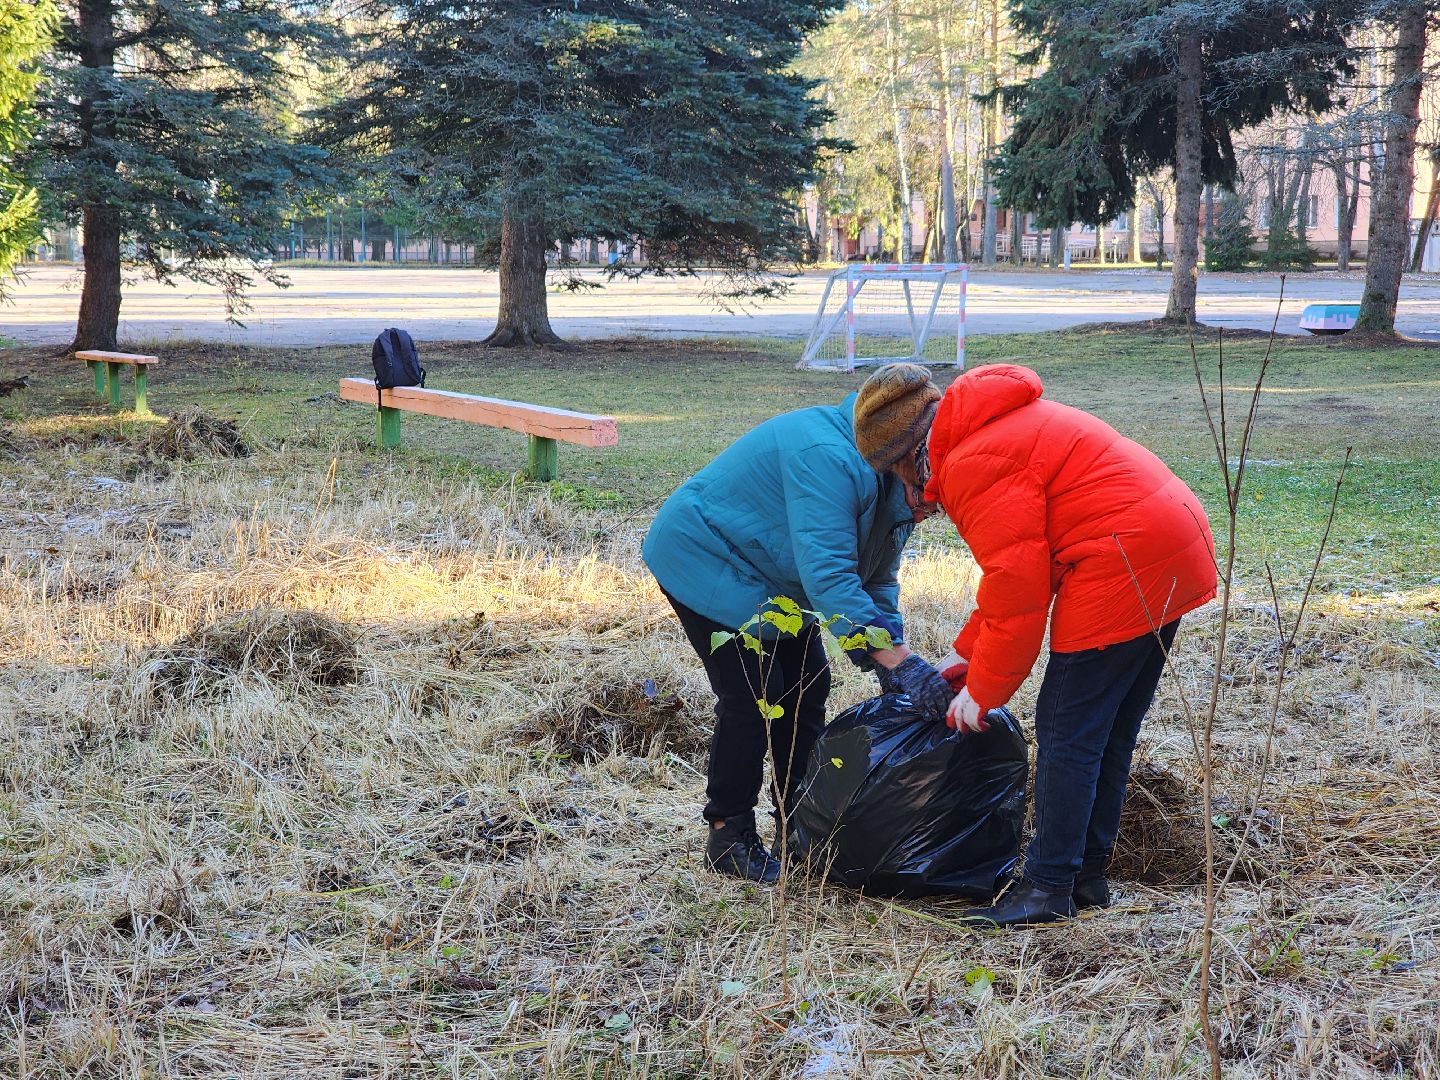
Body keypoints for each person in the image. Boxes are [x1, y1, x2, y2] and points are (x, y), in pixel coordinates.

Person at [857, 363, 1217, 925]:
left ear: (907, 452)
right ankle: (1086, 876)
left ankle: (1048, 887)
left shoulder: (974, 461)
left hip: (1122, 560)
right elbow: (1024, 571)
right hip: (1170, 545)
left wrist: (984, 689)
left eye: (896, 473)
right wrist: (969, 652)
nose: (912, 495)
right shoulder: (994, 430)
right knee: (1107, 728)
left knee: (1066, 732)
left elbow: (1018, 592)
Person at [643, 364, 958, 883]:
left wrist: (891, 653)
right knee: (755, 693)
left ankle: (801, 821)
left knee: (809, 687)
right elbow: (831, 579)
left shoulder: (891, 471)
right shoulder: (827, 458)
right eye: (927, 494)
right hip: (703, 554)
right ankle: (729, 833)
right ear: (906, 456)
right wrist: (898, 662)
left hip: (769, 572)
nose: (929, 510)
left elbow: (876, 577)